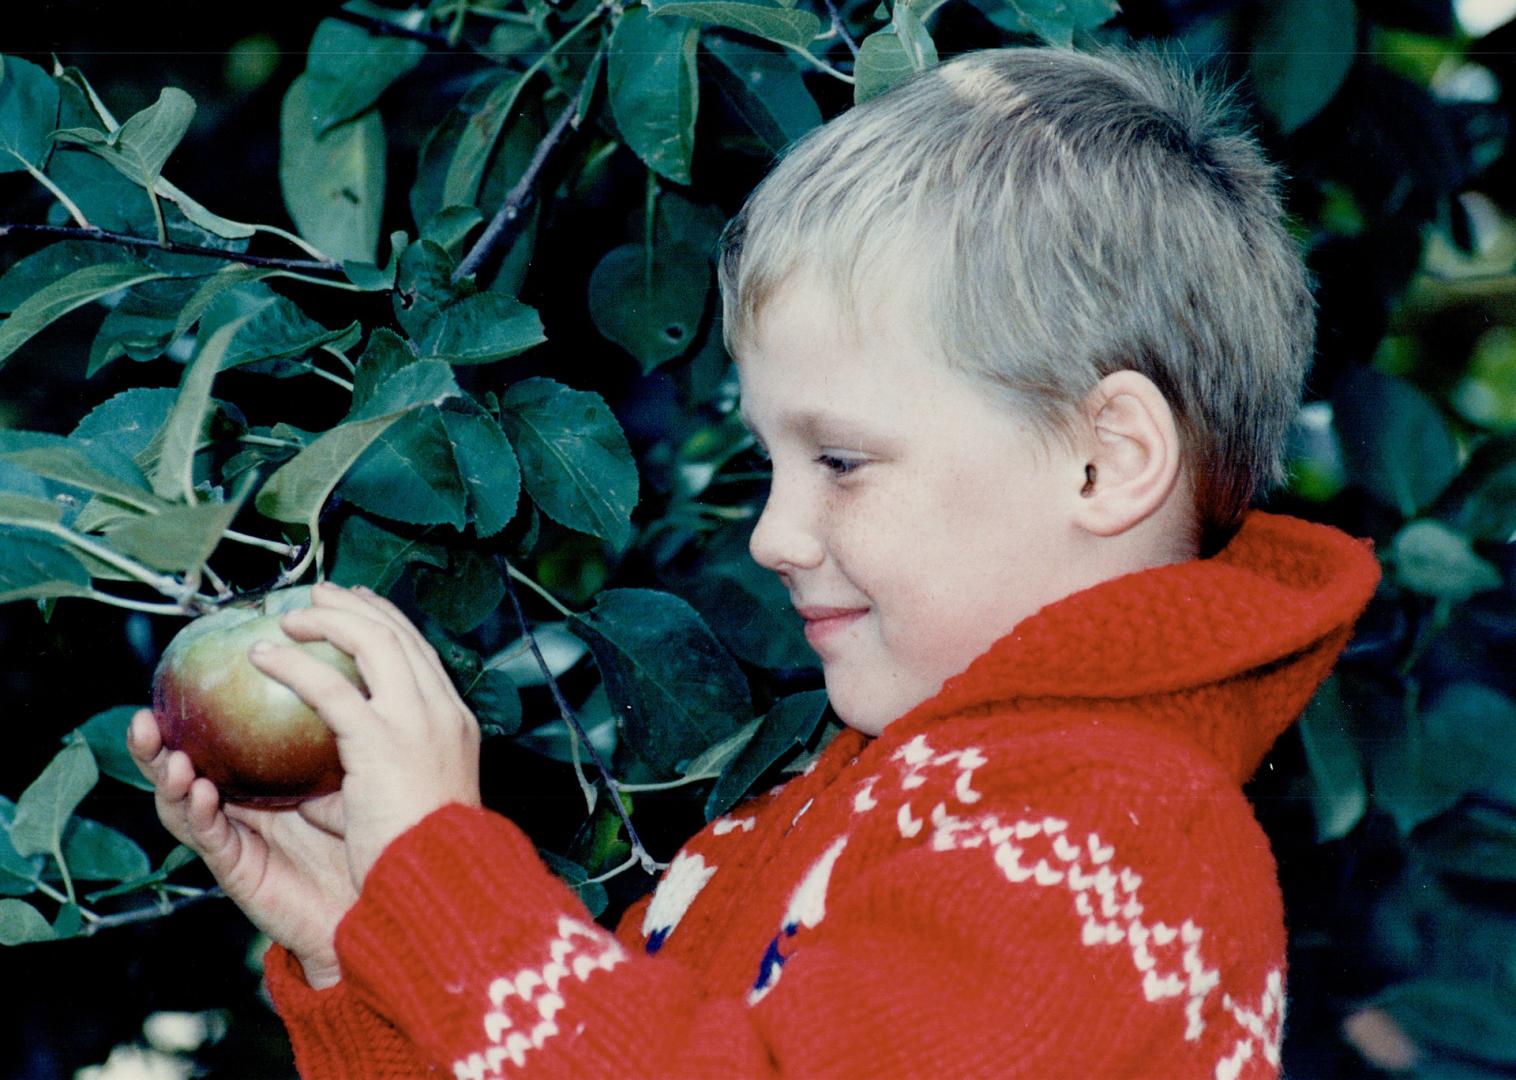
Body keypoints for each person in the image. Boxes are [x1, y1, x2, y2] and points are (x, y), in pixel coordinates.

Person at [129, 45, 1381, 1078]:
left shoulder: (1110, 843)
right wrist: (373, 951)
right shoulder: (840, 821)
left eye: (839, 461)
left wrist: (450, 893)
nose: (772, 535)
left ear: (1104, 463)